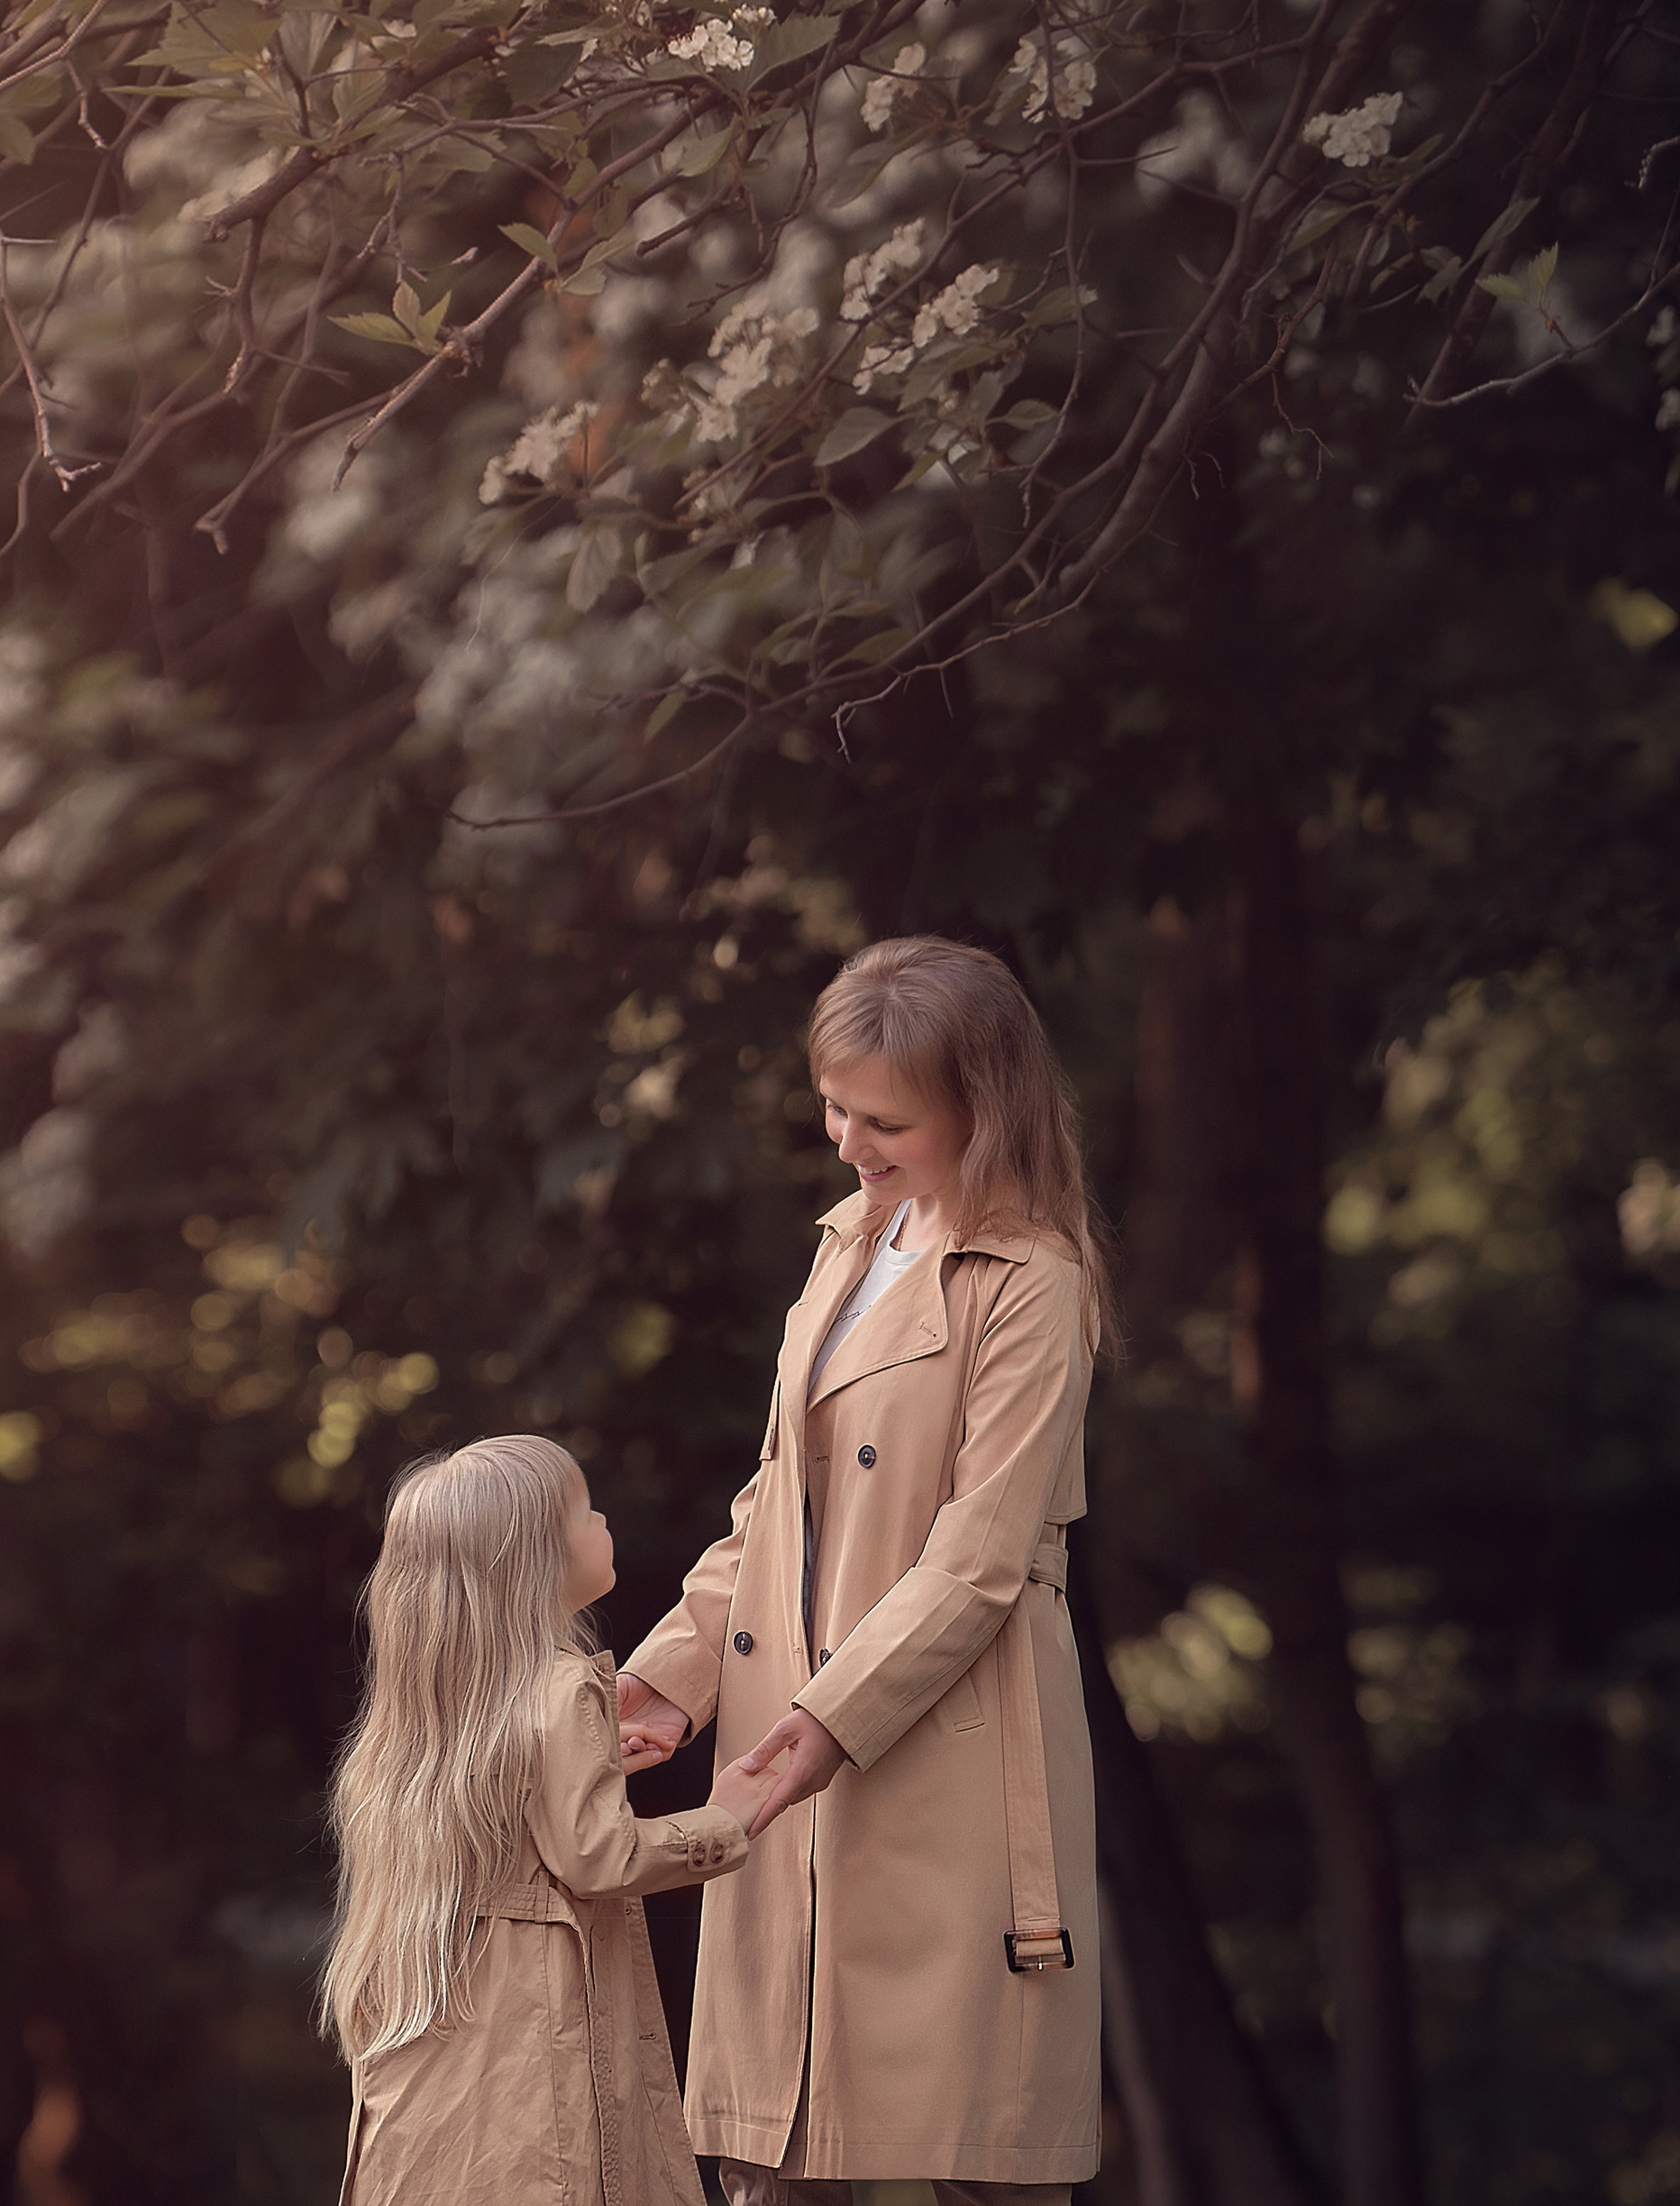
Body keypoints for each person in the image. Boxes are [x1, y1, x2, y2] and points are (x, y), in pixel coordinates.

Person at [616, 936, 1111, 2206]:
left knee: (983, 2157)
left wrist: (827, 1722)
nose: (847, 1141)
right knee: (771, 2152)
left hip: (944, 1749)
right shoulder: (846, 1245)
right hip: (787, 1748)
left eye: (884, 1119)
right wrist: (674, 1674)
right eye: (834, 1104)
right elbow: (776, 1503)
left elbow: (982, 1556)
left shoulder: (1035, 1281)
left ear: (980, 1106)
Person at [321, 1433, 777, 2206]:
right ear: (531, 1557)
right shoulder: (562, 1689)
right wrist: (723, 1819)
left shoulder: (423, 1716)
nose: (602, 1518)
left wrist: (591, 1771)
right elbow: (599, 1858)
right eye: (582, 1510)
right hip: (541, 2036)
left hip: (453, 2060)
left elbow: (518, 1817)